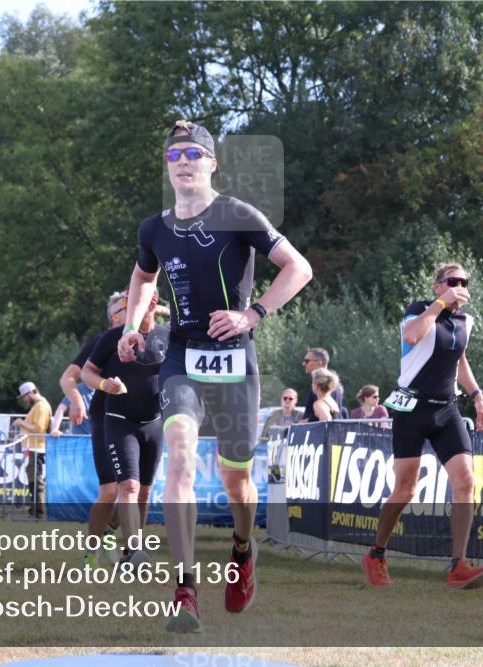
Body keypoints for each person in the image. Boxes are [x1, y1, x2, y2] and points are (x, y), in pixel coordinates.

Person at [118, 119, 312, 632]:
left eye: (192, 154)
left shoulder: (237, 214)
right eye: (175, 154)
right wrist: (135, 324)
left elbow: (298, 267)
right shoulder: (153, 228)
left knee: (236, 481)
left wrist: (253, 315)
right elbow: (143, 276)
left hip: (234, 360)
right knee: (179, 456)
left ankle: (243, 550)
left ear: (211, 163)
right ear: (167, 165)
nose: (183, 161)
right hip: (181, 356)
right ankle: (185, 590)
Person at [364, 263, 483, 590]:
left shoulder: (466, 321)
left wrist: (478, 397)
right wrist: (440, 304)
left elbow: (459, 359)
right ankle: (376, 554)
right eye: (452, 281)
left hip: (447, 409)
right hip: (412, 408)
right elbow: (412, 335)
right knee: (405, 489)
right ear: (437, 286)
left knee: (466, 482)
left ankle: (458, 566)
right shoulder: (419, 310)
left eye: (464, 282)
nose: (459, 286)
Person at [82, 290, 168, 566]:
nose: (131, 309)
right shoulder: (112, 337)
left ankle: (130, 555)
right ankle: (114, 551)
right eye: (128, 304)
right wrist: (103, 384)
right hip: (118, 421)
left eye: (138, 303)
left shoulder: (169, 337)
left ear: (153, 304)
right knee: (125, 487)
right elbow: (86, 372)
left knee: (143, 491)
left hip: (155, 423)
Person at [58, 292, 128, 567]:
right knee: (110, 491)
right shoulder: (101, 341)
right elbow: (67, 378)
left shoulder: (148, 338)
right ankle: (91, 552)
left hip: (139, 421)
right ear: (114, 315)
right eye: (126, 306)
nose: (133, 308)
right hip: (105, 418)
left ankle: (110, 533)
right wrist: (75, 400)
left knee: (136, 491)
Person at [14, 381, 51, 518]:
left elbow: (38, 429)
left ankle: (38, 511)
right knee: (34, 479)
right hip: (35, 447)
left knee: (35, 480)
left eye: (24, 396)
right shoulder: (40, 405)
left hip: (37, 448)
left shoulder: (40, 406)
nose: (24, 399)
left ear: (31, 393)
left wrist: (20, 422)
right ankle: (35, 509)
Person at [300, 347, 344, 422]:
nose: (304, 364)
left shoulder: (321, 396)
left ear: (319, 363)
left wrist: (297, 425)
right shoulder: (333, 387)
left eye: (307, 361)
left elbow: (326, 420)